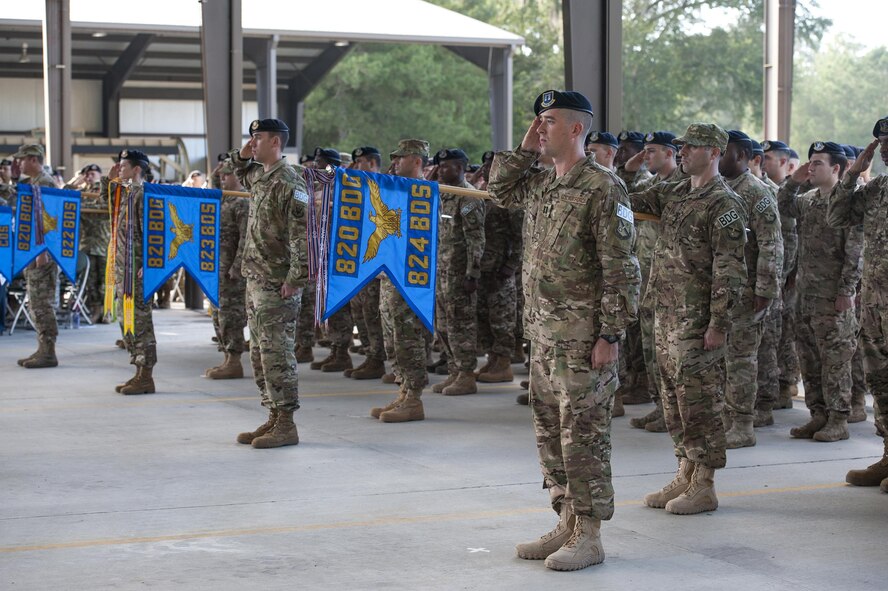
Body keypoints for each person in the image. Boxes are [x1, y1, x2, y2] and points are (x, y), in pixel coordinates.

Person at [488, 90, 640, 571]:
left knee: (585, 437)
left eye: (549, 121)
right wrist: (525, 147)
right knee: (549, 433)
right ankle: (566, 519)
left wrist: (610, 335)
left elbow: (622, 268)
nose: (541, 128)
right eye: (538, 121)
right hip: (544, 335)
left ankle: (590, 535)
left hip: (583, 337)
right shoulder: (541, 183)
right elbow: (498, 191)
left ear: (577, 129)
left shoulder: (602, 186)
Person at [629, 123, 748, 515]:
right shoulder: (676, 192)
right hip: (666, 316)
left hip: (697, 321)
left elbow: (730, 271)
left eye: (690, 147)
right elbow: (629, 198)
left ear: (713, 152)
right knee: (673, 400)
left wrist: (719, 323)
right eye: (680, 147)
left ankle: (706, 483)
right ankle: (685, 470)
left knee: (700, 402)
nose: (681, 152)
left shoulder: (723, 204)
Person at [230, 118, 308, 449]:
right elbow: (240, 173)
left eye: (258, 138)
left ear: (275, 142)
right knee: (260, 353)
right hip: (256, 279)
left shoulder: (291, 182)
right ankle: (273, 415)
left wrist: (296, 278)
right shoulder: (262, 178)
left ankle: (287, 423)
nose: (252, 142)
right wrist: (242, 154)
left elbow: (303, 235)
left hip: (278, 283)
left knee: (277, 352)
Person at [778, 141, 863, 442]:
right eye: (810, 162)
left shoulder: (848, 202)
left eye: (818, 163)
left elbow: (854, 252)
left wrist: (846, 291)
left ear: (837, 169)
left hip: (833, 297)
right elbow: (783, 206)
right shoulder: (809, 200)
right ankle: (818, 415)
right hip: (806, 294)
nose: (811, 168)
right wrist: (794, 181)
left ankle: (839, 419)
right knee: (809, 358)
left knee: (835, 360)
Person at [828, 116, 888, 491]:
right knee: (880, 382)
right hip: (875, 304)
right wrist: (852, 174)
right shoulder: (876, 189)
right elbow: (836, 216)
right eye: (882, 141)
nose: (886, 147)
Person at [715, 130, 782, 448]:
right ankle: (727, 419)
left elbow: (772, 243)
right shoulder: (718, 189)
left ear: (741, 155)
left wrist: (765, 289)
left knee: (741, 359)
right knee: (721, 359)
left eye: (723, 151)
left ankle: (743, 424)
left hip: (746, 292)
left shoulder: (756, 192)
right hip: (720, 291)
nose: (717, 156)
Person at [623, 131, 685, 433]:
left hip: (669, 280)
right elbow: (624, 194)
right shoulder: (651, 184)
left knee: (666, 351)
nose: (647, 156)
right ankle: (659, 405)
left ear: (670, 153)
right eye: (645, 151)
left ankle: (672, 411)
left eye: (652, 151)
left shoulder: (681, 185)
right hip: (645, 279)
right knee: (649, 348)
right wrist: (632, 167)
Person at [370, 139, 434, 423]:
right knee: (393, 337)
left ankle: (414, 398)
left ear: (417, 161)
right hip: (389, 277)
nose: (394, 163)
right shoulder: (395, 190)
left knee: (408, 337)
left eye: (401, 158)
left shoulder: (426, 194)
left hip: (410, 279)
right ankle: (404, 390)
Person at [431, 148, 485, 396]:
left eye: (448, 166)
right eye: (440, 166)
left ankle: (466, 374)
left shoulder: (468, 197)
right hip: (441, 272)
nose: (442, 170)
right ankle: (454, 370)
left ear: (462, 168)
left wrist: (472, 274)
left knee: (460, 325)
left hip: (459, 274)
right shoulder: (442, 194)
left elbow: (476, 238)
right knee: (442, 324)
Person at [104, 150, 158, 393]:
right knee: (127, 320)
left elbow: (153, 232)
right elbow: (103, 207)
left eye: (124, 165)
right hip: (122, 267)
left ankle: (146, 375)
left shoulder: (143, 194)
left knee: (140, 319)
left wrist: (147, 264)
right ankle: (137, 370)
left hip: (135, 269)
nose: (120, 167)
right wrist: (110, 180)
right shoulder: (125, 193)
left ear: (137, 169)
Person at [476, 151, 522, 384]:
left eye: (491, 167)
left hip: (501, 270)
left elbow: (521, 237)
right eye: (484, 167)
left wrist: (510, 267)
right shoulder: (483, 196)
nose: (485, 170)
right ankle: (493, 358)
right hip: (484, 267)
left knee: (501, 317)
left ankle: (504, 362)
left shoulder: (510, 199)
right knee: (484, 315)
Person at [761, 140, 801, 410]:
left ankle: (785, 386)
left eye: (769, 158)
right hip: (775, 276)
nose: (764, 162)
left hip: (785, 277)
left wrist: (784, 274)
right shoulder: (767, 192)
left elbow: (789, 239)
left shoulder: (782, 195)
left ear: (785, 163)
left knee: (784, 335)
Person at [13, 144, 60, 369]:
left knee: (42, 303)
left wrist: (43, 253)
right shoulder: (33, 183)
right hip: (33, 250)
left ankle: (49, 352)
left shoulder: (45, 183)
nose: (18, 164)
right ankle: (42, 347)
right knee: (35, 302)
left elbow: (51, 223)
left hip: (42, 253)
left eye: (22, 160)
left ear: (33, 160)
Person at [344, 146, 386, 380]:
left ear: (371, 163)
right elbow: (330, 174)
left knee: (374, 313)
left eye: (359, 161)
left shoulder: (384, 186)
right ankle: (372, 355)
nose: (356, 166)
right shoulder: (356, 188)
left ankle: (378, 358)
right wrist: (350, 168)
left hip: (376, 263)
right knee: (362, 313)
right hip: (360, 263)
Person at [205, 160, 250, 380]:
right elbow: (212, 182)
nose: (223, 178)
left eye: (227, 175)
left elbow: (245, 238)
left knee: (231, 315)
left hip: (230, 270)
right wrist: (220, 168)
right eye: (221, 176)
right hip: (216, 268)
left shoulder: (242, 202)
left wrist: (238, 266)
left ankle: (234, 361)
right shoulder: (222, 199)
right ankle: (226, 357)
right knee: (218, 314)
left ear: (239, 176)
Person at [64, 164, 109, 324]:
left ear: (99, 175)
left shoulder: (104, 190)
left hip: (104, 243)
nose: (89, 177)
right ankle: (96, 309)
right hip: (87, 243)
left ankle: (107, 311)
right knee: (90, 281)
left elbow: (103, 205)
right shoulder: (81, 192)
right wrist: (76, 181)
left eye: (92, 174)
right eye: (87, 174)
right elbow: (64, 193)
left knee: (105, 281)